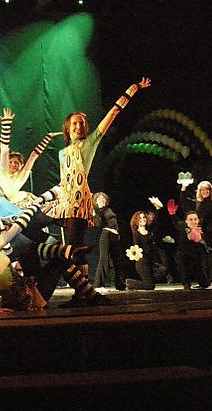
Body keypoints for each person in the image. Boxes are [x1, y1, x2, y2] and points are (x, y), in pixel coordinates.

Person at [50, 77, 151, 306]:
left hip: (79, 201)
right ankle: (84, 293)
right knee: (75, 247)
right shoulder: (62, 153)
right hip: (66, 200)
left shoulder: (89, 143)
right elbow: (64, 180)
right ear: (67, 127)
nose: (78, 126)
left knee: (74, 247)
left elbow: (112, 114)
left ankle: (82, 294)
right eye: (74, 124)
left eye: (81, 123)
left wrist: (131, 90)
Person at [0, 203, 109, 309]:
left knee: (28, 251)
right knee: (60, 261)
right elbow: (18, 226)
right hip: (30, 300)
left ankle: (67, 252)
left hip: (22, 295)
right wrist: (39, 202)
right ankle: (92, 295)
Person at [0, 107, 62, 206]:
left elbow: (33, 155)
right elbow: (4, 150)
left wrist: (48, 137)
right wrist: (6, 125)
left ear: (21, 166)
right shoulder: (2, 172)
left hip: (18, 203)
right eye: (10, 162)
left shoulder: (21, 176)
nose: (13, 164)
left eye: (17, 163)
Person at [168, 202, 210, 290]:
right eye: (190, 219)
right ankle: (186, 284)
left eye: (195, 219)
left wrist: (199, 238)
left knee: (199, 269)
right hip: (183, 253)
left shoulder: (201, 229)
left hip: (197, 254)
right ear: (186, 221)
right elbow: (175, 222)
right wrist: (172, 214)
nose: (193, 221)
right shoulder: (182, 226)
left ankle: (203, 283)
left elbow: (204, 245)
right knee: (181, 262)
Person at [92, 192, 127, 290]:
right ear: (96, 202)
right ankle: (98, 285)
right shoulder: (99, 211)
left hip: (114, 236)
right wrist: (95, 214)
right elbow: (98, 224)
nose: (102, 200)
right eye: (99, 199)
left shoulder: (108, 209)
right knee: (104, 260)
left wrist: (117, 233)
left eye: (103, 199)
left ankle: (120, 285)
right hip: (106, 235)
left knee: (117, 260)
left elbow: (114, 223)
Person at [124, 211, 158, 290]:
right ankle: (129, 283)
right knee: (150, 286)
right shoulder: (136, 234)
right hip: (142, 262)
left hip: (150, 261)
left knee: (157, 276)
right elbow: (136, 248)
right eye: (140, 218)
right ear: (136, 220)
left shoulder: (150, 233)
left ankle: (130, 283)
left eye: (144, 217)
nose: (143, 219)